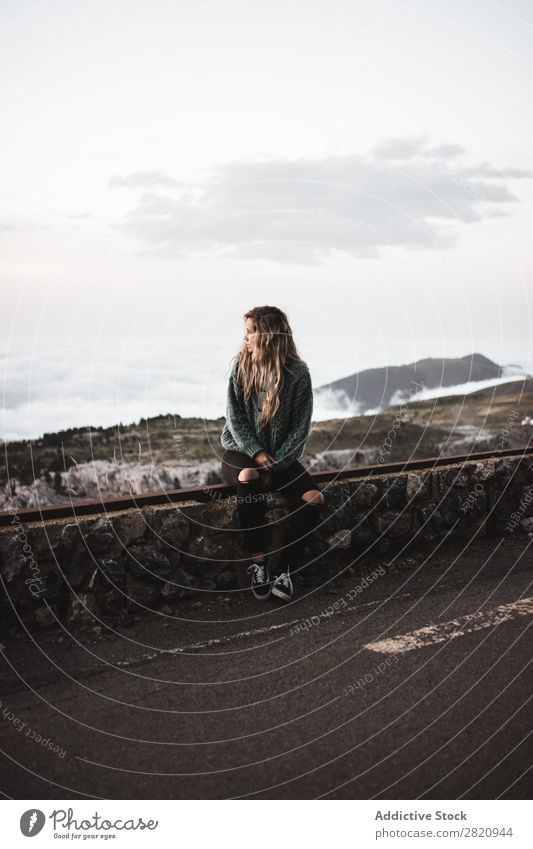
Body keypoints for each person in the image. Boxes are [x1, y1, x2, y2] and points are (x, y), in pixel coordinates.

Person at [220, 305, 324, 602]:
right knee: (248, 475)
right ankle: (258, 563)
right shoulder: (241, 366)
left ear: (266, 335)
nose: (246, 338)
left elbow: (300, 429)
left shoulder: (298, 375)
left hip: (281, 458)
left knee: (314, 499)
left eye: (251, 332)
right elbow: (235, 419)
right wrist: (257, 452)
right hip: (240, 451)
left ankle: (284, 571)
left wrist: (276, 462)